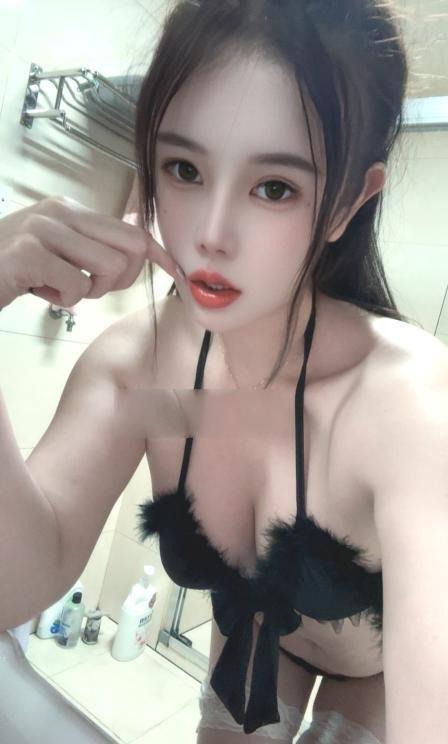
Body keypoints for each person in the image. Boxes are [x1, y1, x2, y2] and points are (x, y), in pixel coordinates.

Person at [0, 1, 447, 743]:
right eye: (184, 169)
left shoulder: (403, 405)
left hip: (370, 676)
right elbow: (17, 582)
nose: (210, 235)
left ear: (347, 204)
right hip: (250, 635)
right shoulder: (143, 374)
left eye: (274, 187)